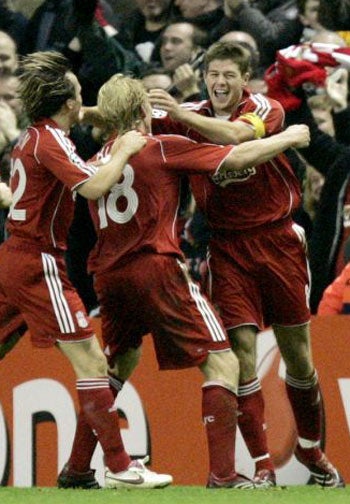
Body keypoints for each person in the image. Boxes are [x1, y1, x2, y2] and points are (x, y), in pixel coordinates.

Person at [62, 72, 310, 490]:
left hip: (108, 274)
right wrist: (288, 138)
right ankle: (224, 476)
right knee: (223, 361)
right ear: (143, 111)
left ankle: (77, 467)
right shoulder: (161, 147)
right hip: (155, 266)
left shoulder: (99, 160)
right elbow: (235, 158)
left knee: (118, 364)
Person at [148, 40, 345, 488]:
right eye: (213, 74)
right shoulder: (193, 111)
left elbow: (238, 137)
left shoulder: (265, 109)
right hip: (227, 249)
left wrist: (178, 114)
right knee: (240, 356)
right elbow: (131, 120)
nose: (219, 83)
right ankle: (262, 467)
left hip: (278, 242)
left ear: (245, 80)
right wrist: (87, 113)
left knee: (299, 358)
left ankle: (312, 449)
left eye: (229, 76)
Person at [0, 50, 174, 490]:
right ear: (66, 104)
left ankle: (85, 472)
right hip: (39, 262)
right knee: (93, 361)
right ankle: (118, 468)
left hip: (13, 257)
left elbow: (83, 120)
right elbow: (95, 186)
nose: (85, 102)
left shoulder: (32, 136)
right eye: (80, 95)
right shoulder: (52, 141)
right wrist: (129, 146)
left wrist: (112, 111)